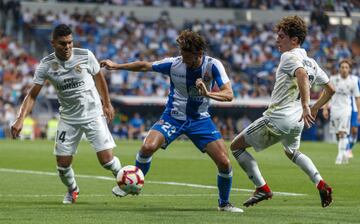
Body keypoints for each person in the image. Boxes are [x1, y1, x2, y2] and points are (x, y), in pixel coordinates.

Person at [101, 30, 243, 212]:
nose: (182, 59)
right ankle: (133, 182)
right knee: (147, 147)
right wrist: (117, 66)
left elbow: (229, 94)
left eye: (187, 56)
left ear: (199, 54)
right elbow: (144, 66)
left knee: (224, 162)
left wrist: (208, 94)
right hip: (173, 117)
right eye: (181, 54)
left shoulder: (213, 66)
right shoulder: (173, 64)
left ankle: (224, 204)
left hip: (200, 120)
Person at [230, 15, 335, 208]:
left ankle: (262, 187)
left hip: (279, 118)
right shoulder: (312, 62)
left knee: (236, 147)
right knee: (292, 152)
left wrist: (306, 105)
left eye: (281, 36)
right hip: (297, 122)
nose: (277, 40)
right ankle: (320, 183)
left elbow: (301, 74)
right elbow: (331, 89)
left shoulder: (289, 56)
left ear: (294, 40)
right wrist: (314, 107)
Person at [10, 24, 122, 204]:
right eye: (63, 43)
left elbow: (99, 77)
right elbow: (32, 95)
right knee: (62, 165)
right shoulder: (46, 65)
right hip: (69, 118)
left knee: (107, 161)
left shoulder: (85, 55)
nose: (68, 47)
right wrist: (20, 118)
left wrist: (106, 103)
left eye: (70, 42)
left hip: (93, 114)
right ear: (53, 43)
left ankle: (125, 178)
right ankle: (72, 190)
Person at [322, 59, 360, 164]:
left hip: (346, 109)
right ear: (339, 69)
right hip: (334, 109)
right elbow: (327, 94)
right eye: (342, 67)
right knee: (338, 134)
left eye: (346, 67)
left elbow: (357, 98)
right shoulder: (333, 80)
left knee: (343, 132)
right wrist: (325, 108)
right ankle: (344, 153)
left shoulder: (353, 82)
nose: (344, 69)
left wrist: (359, 113)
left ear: (349, 69)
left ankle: (339, 156)